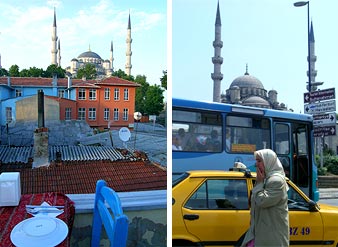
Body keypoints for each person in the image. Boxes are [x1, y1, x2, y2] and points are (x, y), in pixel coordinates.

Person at [240, 149, 289, 247]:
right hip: (260, 232)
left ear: (268, 161)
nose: (256, 164)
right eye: (256, 161)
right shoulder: (266, 179)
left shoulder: (276, 181)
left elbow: (263, 201)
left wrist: (258, 183)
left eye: (259, 161)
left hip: (271, 235)